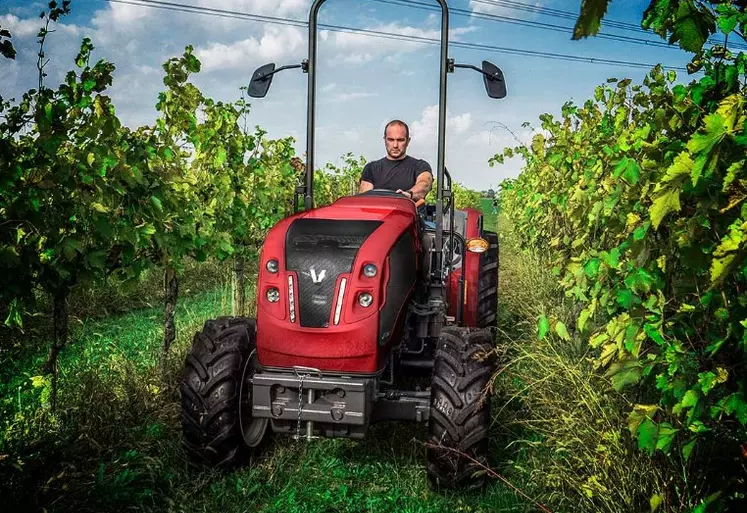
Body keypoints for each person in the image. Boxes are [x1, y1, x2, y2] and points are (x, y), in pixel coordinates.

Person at [358, 120, 433, 202]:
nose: (395, 145)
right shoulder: (371, 168)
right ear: (385, 140)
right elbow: (364, 199)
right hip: (379, 213)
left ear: (408, 141)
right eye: (391, 140)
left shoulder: (420, 166)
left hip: (408, 213)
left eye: (400, 140)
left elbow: (424, 184)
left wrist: (409, 194)